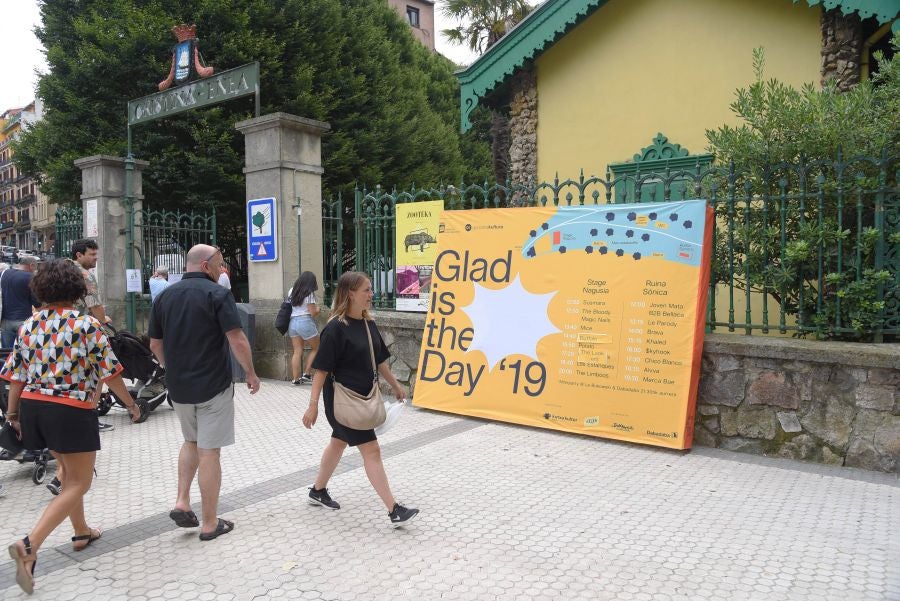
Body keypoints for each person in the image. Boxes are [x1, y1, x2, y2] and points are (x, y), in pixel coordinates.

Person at [2, 259, 142, 594]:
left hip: (34, 408)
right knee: (79, 482)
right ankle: (29, 545)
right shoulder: (85, 325)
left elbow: (14, 375)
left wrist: (11, 414)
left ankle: (81, 531)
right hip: (70, 409)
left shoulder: (30, 324)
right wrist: (132, 404)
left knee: (67, 471)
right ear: (76, 290)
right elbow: (111, 373)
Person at [148, 244, 260, 541]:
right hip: (213, 385)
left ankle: (182, 500)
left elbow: (155, 345)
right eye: (221, 263)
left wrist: (170, 367)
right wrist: (250, 372)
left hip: (180, 386)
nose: (223, 269)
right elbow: (236, 339)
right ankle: (210, 523)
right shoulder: (217, 294)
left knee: (191, 441)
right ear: (207, 264)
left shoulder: (165, 297)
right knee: (209, 452)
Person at [302, 271, 418, 527]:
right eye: (366, 290)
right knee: (372, 450)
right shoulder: (335, 329)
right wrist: (312, 406)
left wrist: (396, 386)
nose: (371, 294)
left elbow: (379, 361)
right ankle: (394, 509)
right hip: (342, 402)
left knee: (338, 442)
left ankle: (317, 490)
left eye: (370, 289)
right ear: (350, 294)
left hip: (363, 399)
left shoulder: (368, 325)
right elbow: (321, 369)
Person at [70, 239, 115, 433]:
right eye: (92, 254)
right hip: (81, 331)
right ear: (79, 255)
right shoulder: (85, 274)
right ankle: (90, 417)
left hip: (56, 330)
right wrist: (103, 321)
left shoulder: (60, 268)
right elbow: (94, 304)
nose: (96, 258)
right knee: (97, 373)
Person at [287, 271, 321, 385]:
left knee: (297, 351)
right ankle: (307, 374)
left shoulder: (292, 290)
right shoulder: (309, 293)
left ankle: (296, 379)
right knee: (317, 348)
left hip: (292, 323)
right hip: (305, 321)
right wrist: (318, 310)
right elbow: (312, 313)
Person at [0, 256, 39, 348]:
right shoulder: (30, 277)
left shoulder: (4, 273)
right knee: (24, 351)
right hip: (23, 321)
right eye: (35, 268)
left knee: (6, 352)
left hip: (5, 321)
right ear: (31, 265)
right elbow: (37, 303)